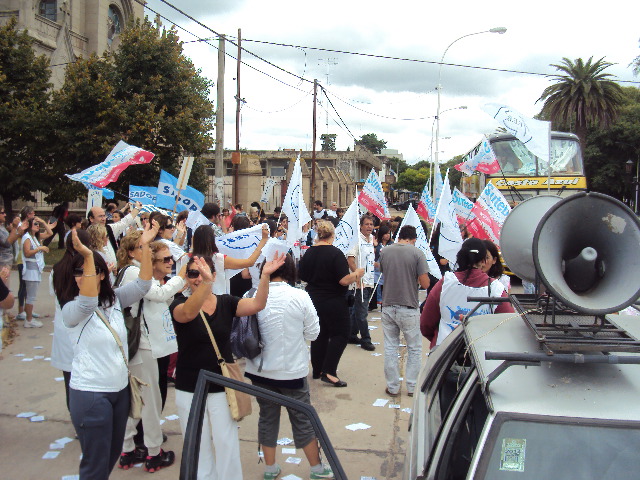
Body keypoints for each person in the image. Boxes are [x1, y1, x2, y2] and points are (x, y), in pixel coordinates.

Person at [170, 253, 286, 480]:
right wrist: (206, 284)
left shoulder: (225, 302)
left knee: (227, 442)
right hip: (189, 387)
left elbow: (257, 304)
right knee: (197, 444)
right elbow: (188, 314)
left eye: (203, 273)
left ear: (214, 275)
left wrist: (264, 277)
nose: (197, 278)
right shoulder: (178, 303)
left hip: (221, 385)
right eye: (193, 273)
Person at [56, 224, 155, 480]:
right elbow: (88, 302)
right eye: (77, 272)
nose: (82, 276)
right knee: (95, 467)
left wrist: (145, 246)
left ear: (102, 275)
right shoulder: (72, 309)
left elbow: (144, 285)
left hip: (119, 392)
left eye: (89, 270)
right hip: (91, 395)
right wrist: (89, 255)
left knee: (110, 458)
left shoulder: (114, 300)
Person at [244, 255, 334, 480]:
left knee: (267, 417)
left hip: (259, 371)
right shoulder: (299, 296)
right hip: (291, 371)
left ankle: (270, 468)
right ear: (291, 271)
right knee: (303, 419)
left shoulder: (251, 295)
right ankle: (316, 468)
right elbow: (313, 333)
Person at [119, 240, 186, 472]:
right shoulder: (134, 272)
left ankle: (128, 449)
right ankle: (154, 453)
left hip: (145, 345)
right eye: (165, 259)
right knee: (150, 400)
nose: (170, 263)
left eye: (171, 259)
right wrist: (180, 278)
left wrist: (169, 283)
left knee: (139, 398)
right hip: (141, 346)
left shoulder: (146, 276)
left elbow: (161, 301)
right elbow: (158, 295)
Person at [298, 220, 364, 387]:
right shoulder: (335, 253)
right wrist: (357, 274)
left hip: (313, 298)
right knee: (341, 333)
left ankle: (318, 369)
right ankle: (329, 371)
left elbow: (302, 275)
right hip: (333, 299)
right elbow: (343, 280)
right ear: (332, 235)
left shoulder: (309, 252)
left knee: (320, 334)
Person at [420, 238, 514, 349]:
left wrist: (437, 339)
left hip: (444, 351)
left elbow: (426, 323)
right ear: (483, 261)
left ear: (461, 257)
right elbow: (509, 325)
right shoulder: (496, 289)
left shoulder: (445, 283)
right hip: (481, 353)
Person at [378, 226, 430, 397]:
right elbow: (425, 283)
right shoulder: (417, 253)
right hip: (408, 306)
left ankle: (392, 387)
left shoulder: (385, 251)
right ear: (413, 239)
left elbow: (385, 272)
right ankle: (412, 386)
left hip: (388, 304)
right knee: (414, 348)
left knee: (390, 347)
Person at [51, 230, 92, 413]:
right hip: (83, 329)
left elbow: (53, 293)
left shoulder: (56, 268)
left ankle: (76, 417)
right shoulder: (86, 269)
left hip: (64, 329)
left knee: (70, 381)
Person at [191, 222, 269, 295]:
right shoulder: (218, 259)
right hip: (217, 298)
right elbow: (250, 262)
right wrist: (263, 240)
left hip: (193, 298)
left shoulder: (188, 258)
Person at [347, 215, 376, 351]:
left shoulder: (371, 240)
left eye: (371, 224)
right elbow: (350, 260)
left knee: (357, 310)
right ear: (361, 226)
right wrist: (357, 275)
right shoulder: (356, 240)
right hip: (360, 283)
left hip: (370, 280)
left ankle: (351, 334)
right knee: (362, 312)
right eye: (366, 224)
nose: (369, 227)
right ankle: (366, 339)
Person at [88, 201, 142, 271]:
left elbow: (124, 222)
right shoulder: (86, 236)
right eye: (100, 216)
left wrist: (137, 208)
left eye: (104, 216)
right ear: (91, 219)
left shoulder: (109, 229)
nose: (103, 219)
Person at [21, 218, 54, 327]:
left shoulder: (35, 237)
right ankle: (29, 320)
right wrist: (40, 248)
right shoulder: (27, 237)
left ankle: (29, 318)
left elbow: (50, 233)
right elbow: (27, 253)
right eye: (35, 224)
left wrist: (43, 222)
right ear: (29, 225)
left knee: (32, 296)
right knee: (30, 296)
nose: (37, 226)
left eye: (38, 224)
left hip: (36, 269)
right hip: (31, 271)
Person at [374, 224, 393, 306]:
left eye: (389, 233)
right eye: (386, 233)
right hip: (377, 269)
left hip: (388, 269)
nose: (388, 235)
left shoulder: (392, 244)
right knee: (377, 284)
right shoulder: (377, 245)